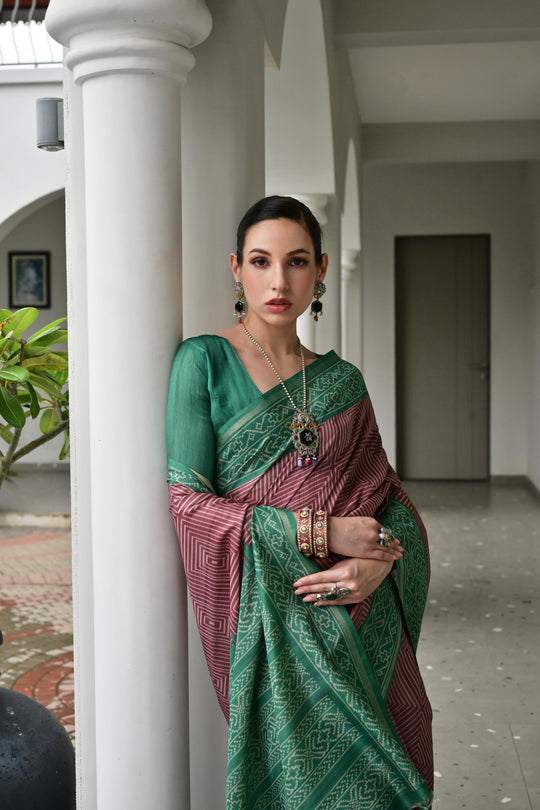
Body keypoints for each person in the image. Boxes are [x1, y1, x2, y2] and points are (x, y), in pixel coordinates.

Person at [167, 196, 434, 809]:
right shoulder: (203, 362)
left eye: (296, 262)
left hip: (365, 626)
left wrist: (381, 562)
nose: (278, 280)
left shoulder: (343, 382)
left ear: (320, 269)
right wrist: (320, 533)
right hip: (276, 629)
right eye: (261, 261)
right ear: (237, 267)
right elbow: (188, 506)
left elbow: (388, 500)